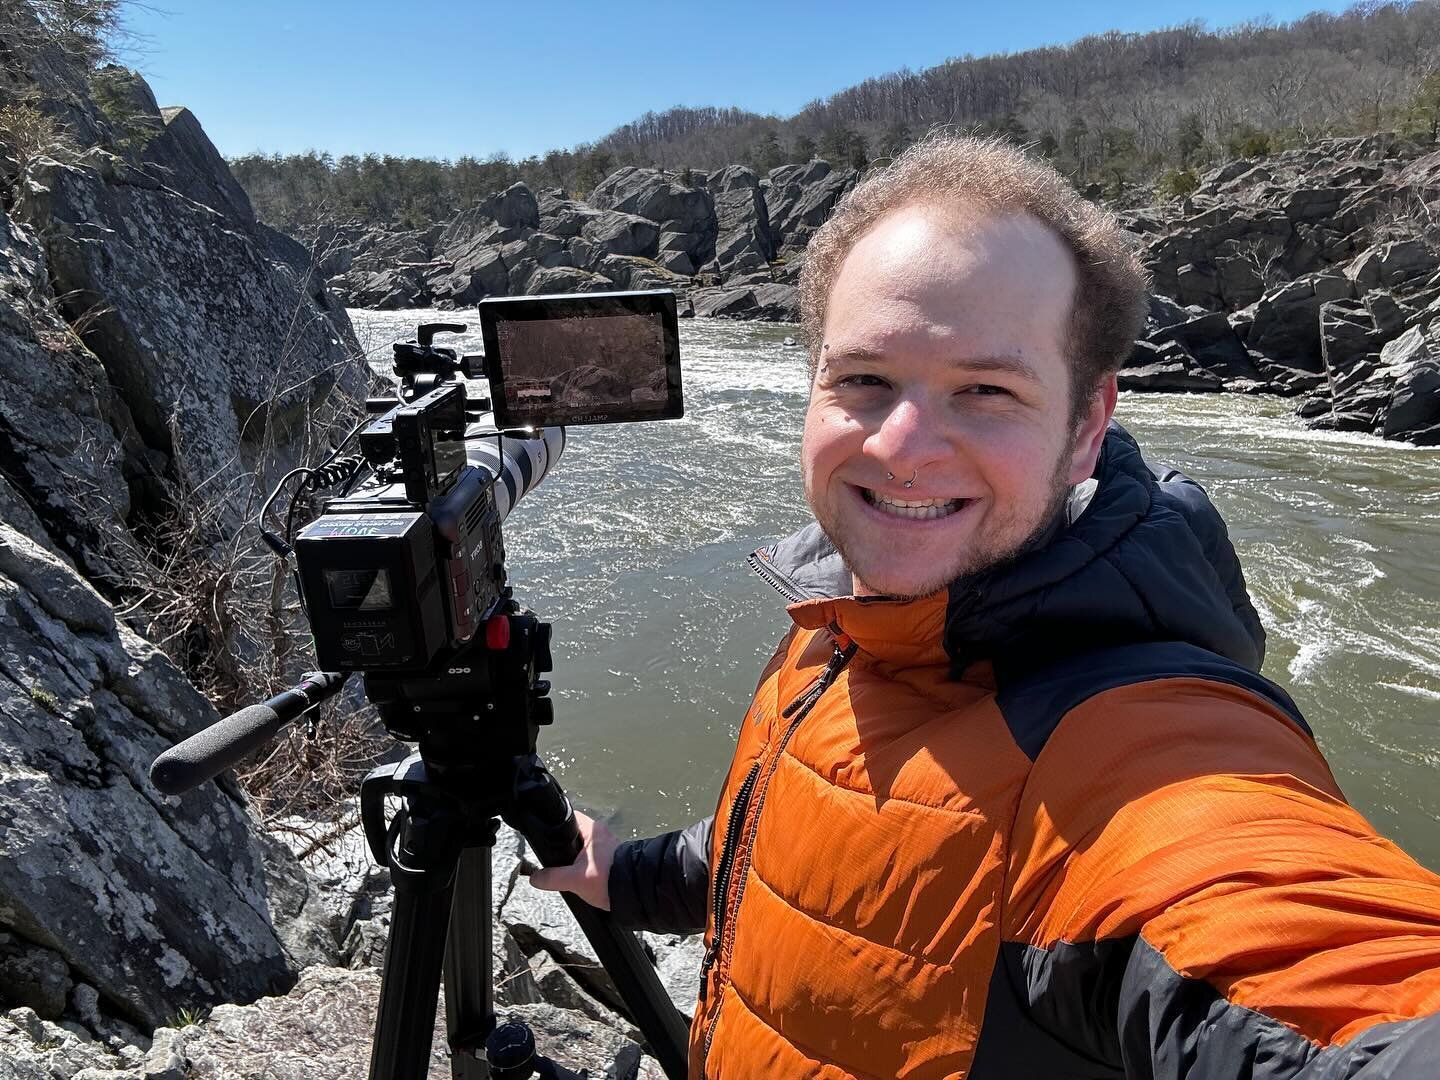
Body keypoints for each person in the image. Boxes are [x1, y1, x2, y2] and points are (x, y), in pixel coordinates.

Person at [529, 135, 1440, 1078]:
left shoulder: (1137, 748)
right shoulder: (841, 620)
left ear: (1088, 426)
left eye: (986, 390)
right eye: (865, 380)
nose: (905, 445)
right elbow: (816, 847)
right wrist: (622, 875)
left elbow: (1314, 947)